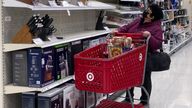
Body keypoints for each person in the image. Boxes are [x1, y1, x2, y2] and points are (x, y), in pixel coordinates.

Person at [117, 4, 164, 105]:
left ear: (153, 17)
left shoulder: (156, 28)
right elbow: (126, 28)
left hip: (145, 57)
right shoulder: (138, 20)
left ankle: (144, 100)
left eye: (149, 13)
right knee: (129, 76)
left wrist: (149, 37)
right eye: (147, 11)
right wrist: (117, 32)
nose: (146, 14)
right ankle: (129, 98)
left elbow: (158, 44)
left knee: (145, 78)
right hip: (130, 53)